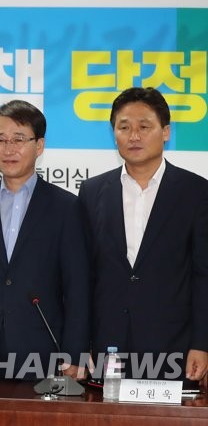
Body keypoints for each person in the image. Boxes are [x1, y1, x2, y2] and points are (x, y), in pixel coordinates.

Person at [0, 100, 89, 380]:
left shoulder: (65, 207)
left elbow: (77, 287)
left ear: (39, 145)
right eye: (0, 140)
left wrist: (75, 353)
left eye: (19, 139)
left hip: (41, 348)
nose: (8, 149)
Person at [79, 87, 208, 383]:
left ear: (166, 132)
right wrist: (81, 342)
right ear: (114, 133)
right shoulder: (92, 192)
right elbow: (84, 275)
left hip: (173, 345)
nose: (133, 136)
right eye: (124, 127)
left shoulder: (196, 192)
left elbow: (203, 275)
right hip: (107, 343)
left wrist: (202, 343)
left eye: (144, 127)